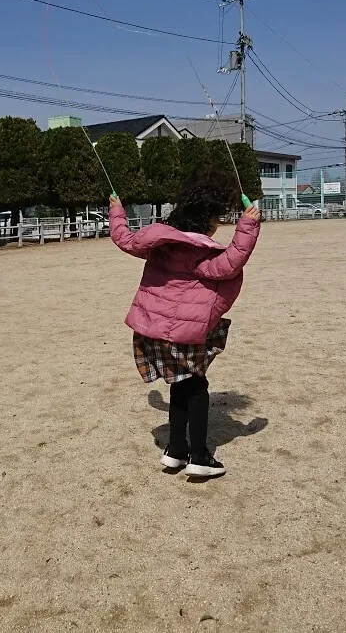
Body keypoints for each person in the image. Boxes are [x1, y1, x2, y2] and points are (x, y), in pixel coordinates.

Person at [109, 165, 261, 477]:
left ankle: (176, 450)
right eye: (217, 220)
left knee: (179, 385)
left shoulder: (161, 243)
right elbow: (230, 264)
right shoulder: (200, 252)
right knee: (196, 387)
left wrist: (117, 210)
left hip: (152, 331)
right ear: (207, 221)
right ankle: (200, 457)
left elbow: (123, 237)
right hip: (184, 332)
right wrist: (248, 225)